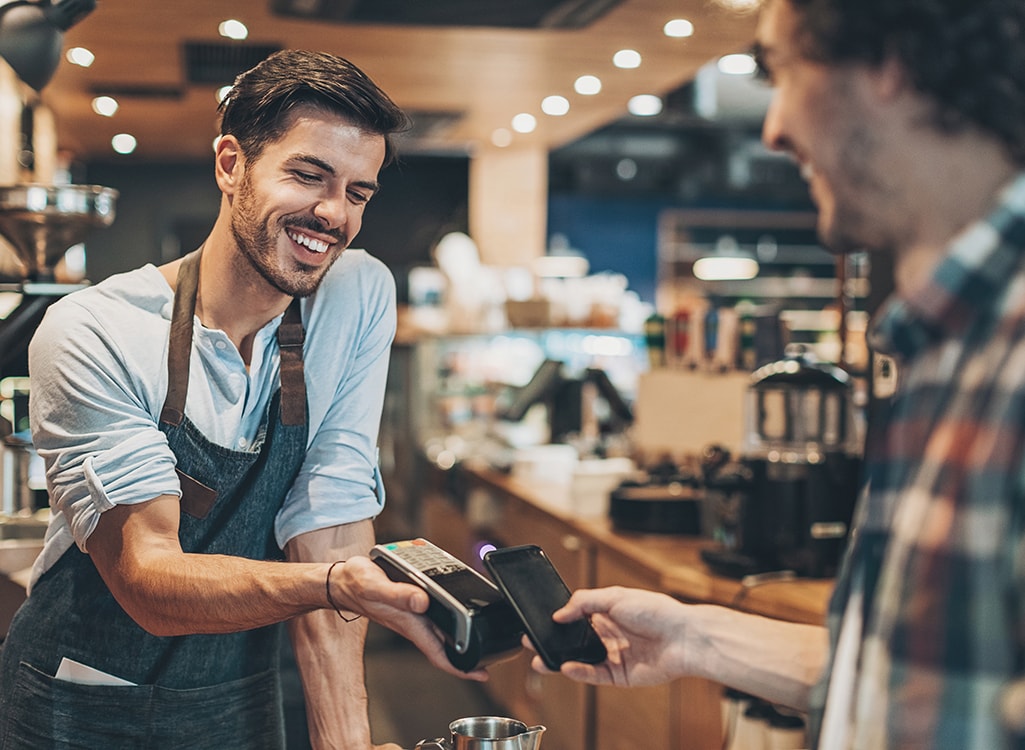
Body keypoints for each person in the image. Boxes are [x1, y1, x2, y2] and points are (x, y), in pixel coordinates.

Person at [533, 0, 1025, 748]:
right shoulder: (945, 345)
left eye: (779, 72)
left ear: (888, 62)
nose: (771, 127)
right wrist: (697, 638)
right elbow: (929, 678)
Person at [0, 49, 484, 750]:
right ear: (231, 164)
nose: (332, 215)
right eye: (308, 176)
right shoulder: (96, 330)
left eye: (357, 193)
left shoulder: (356, 293)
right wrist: (336, 585)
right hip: (86, 698)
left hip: (240, 693)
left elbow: (330, 515)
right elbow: (148, 579)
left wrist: (344, 740)